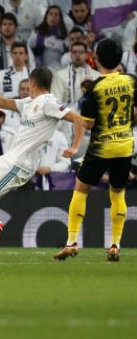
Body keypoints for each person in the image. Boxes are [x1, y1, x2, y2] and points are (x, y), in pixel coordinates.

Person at [0, 67, 84, 261]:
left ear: (32, 82)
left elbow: (78, 119)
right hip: (8, 158)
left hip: (20, 164)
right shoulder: (28, 102)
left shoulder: (49, 103)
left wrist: (75, 146)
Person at [55, 39, 135, 262]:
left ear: (96, 59)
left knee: (81, 189)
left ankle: (71, 242)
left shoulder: (96, 88)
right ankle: (115, 245)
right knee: (118, 193)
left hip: (101, 147)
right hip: (124, 145)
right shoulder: (131, 81)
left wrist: (78, 117)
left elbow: (88, 124)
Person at [27, 5, 67, 70]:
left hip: (58, 70)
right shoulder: (36, 33)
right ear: (46, 17)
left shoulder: (64, 35)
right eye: (50, 14)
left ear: (60, 18)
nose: (53, 16)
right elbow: (28, 50)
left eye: (56, 14)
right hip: (39, 69)